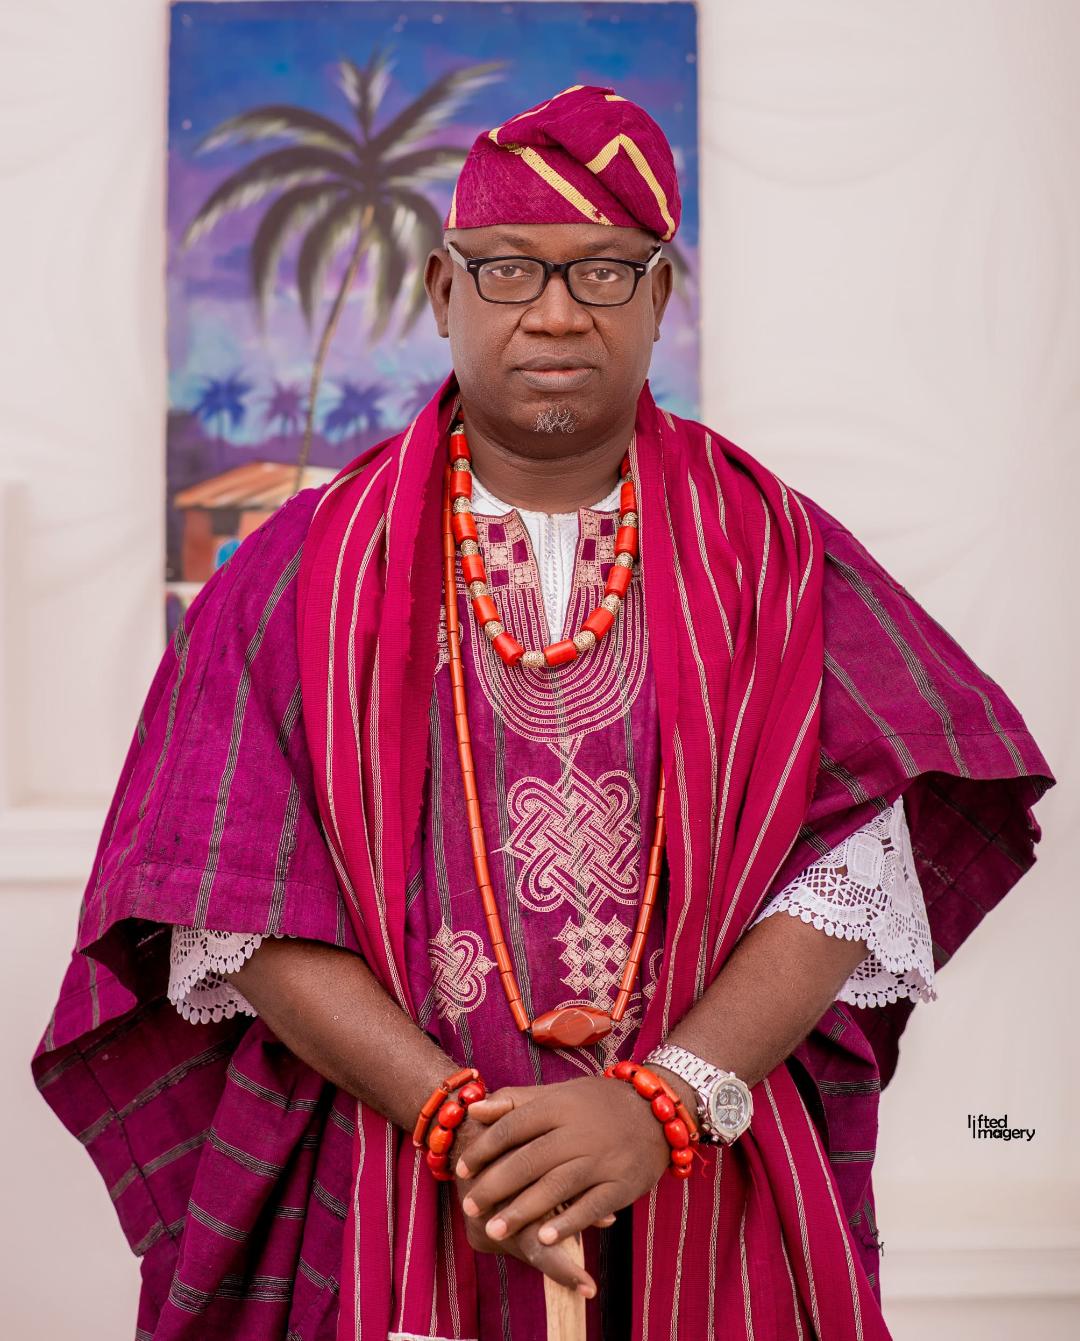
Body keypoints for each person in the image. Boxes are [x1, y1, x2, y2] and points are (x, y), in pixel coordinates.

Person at [33, 85, 1054, 1341]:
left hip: (714, 1181)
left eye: (604, 272)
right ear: (442, 289)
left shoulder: (775, 555)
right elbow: (229, 892)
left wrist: (662, 1103)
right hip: (381, 1173)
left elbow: (856, 858)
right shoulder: (302, 569)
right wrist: (456, 1122)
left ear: (661, 298)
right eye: (508, 268)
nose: (557, 311)